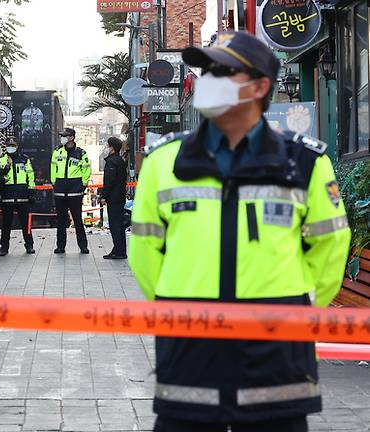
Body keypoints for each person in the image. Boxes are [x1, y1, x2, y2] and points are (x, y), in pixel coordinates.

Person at [129, 31, 351, 432]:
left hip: (277, 350)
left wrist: (298, 306)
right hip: (189, 346)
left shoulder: (303, 162)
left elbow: (330, 246)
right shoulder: (163, 162)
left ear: (260, 85)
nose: (208, 78)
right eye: (206, 69)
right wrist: (172, 302)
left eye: (223, 70)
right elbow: (146, 250)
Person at [51, 127, 92, 254]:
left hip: (75, 191)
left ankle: (83, 246)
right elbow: (53, 169)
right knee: (61, 221)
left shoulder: (81, 153)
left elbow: (86, 170)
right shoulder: (57, 152)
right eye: (62, 135)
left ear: (72, 138)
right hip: (60, 191)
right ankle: (60, 246)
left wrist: (83, 184)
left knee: (78, 220)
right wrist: (55, 183)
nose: (62, 138)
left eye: (65, 135)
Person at [0, 137, 36, 254]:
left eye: (13, 145)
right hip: (7, 195)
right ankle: (4, 247)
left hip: (22, 195)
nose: (11, 147)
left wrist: (31, 191)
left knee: (26, 224)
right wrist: (7, 166)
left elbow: (30, 175)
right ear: (5, 146)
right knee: (6, 225)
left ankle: (29, 245)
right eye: (9, 145)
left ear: (17, 146)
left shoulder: (24, 159)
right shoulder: (1, 159)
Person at [100, 137, 127, 259]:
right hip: (120, 197)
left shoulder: (112, 162)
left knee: (115, 225)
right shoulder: (120, 161)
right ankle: (119, 250)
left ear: (112, 147)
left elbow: (109, 181)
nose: (106, 148)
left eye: (108, 145)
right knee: (119, 225)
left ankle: (118, 251)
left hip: (114, 198)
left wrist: (104, 196)